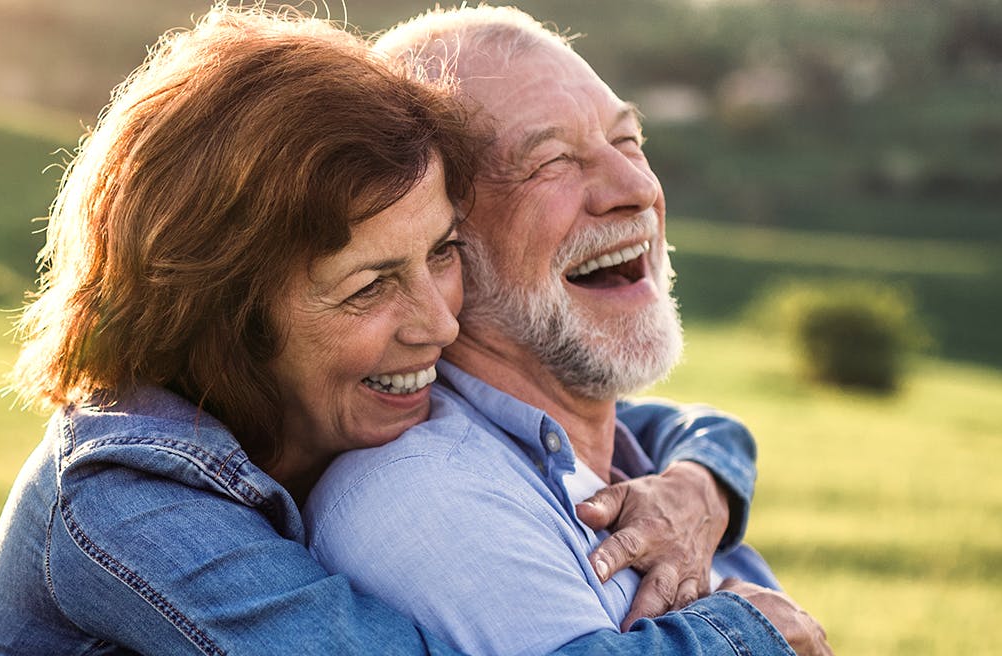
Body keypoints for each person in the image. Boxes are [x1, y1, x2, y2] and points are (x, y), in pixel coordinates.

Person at [0, 6, 794, 654]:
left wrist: (701, 486)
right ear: (228, 317)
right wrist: (743, 632)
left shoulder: (332, 407)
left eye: (444, 252)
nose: (437, 320)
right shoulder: (126, 500)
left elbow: (659, 426)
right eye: (369, 287)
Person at [303, 7, 833, 656]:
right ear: (438, 237)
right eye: (552, 161)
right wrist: (759, 637)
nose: (635, 187)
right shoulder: (422, 494)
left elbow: (695, 428)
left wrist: (707, 476)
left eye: (629, 142)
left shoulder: (640, 468)